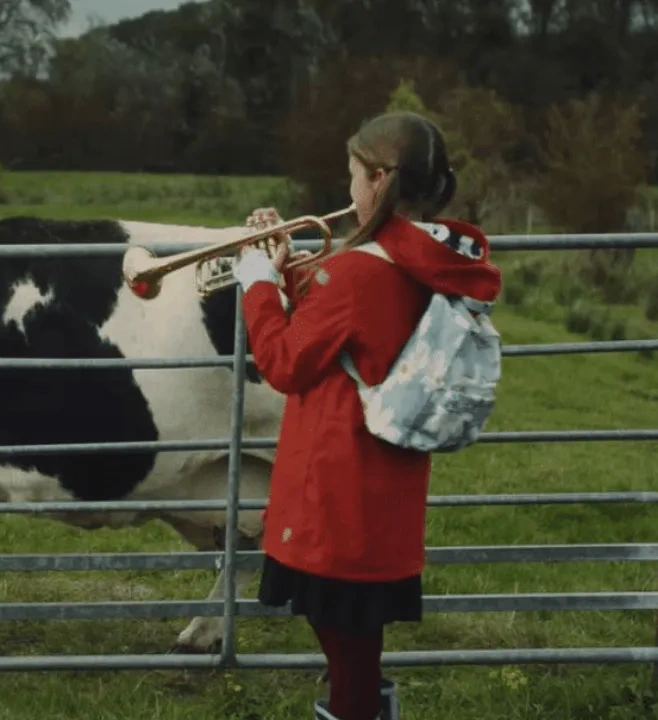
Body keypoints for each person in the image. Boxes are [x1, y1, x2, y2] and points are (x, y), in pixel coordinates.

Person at [230, 111, 504, 720]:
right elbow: (344, 324)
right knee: (354, 652)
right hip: (382, 495)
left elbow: (285, 362)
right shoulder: (423, 259)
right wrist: (291, 267)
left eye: (354, 174)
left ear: (379, 179)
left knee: (349, 656)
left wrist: (254, 283)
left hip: (335, 492)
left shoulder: (356, 272)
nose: (348, 188)